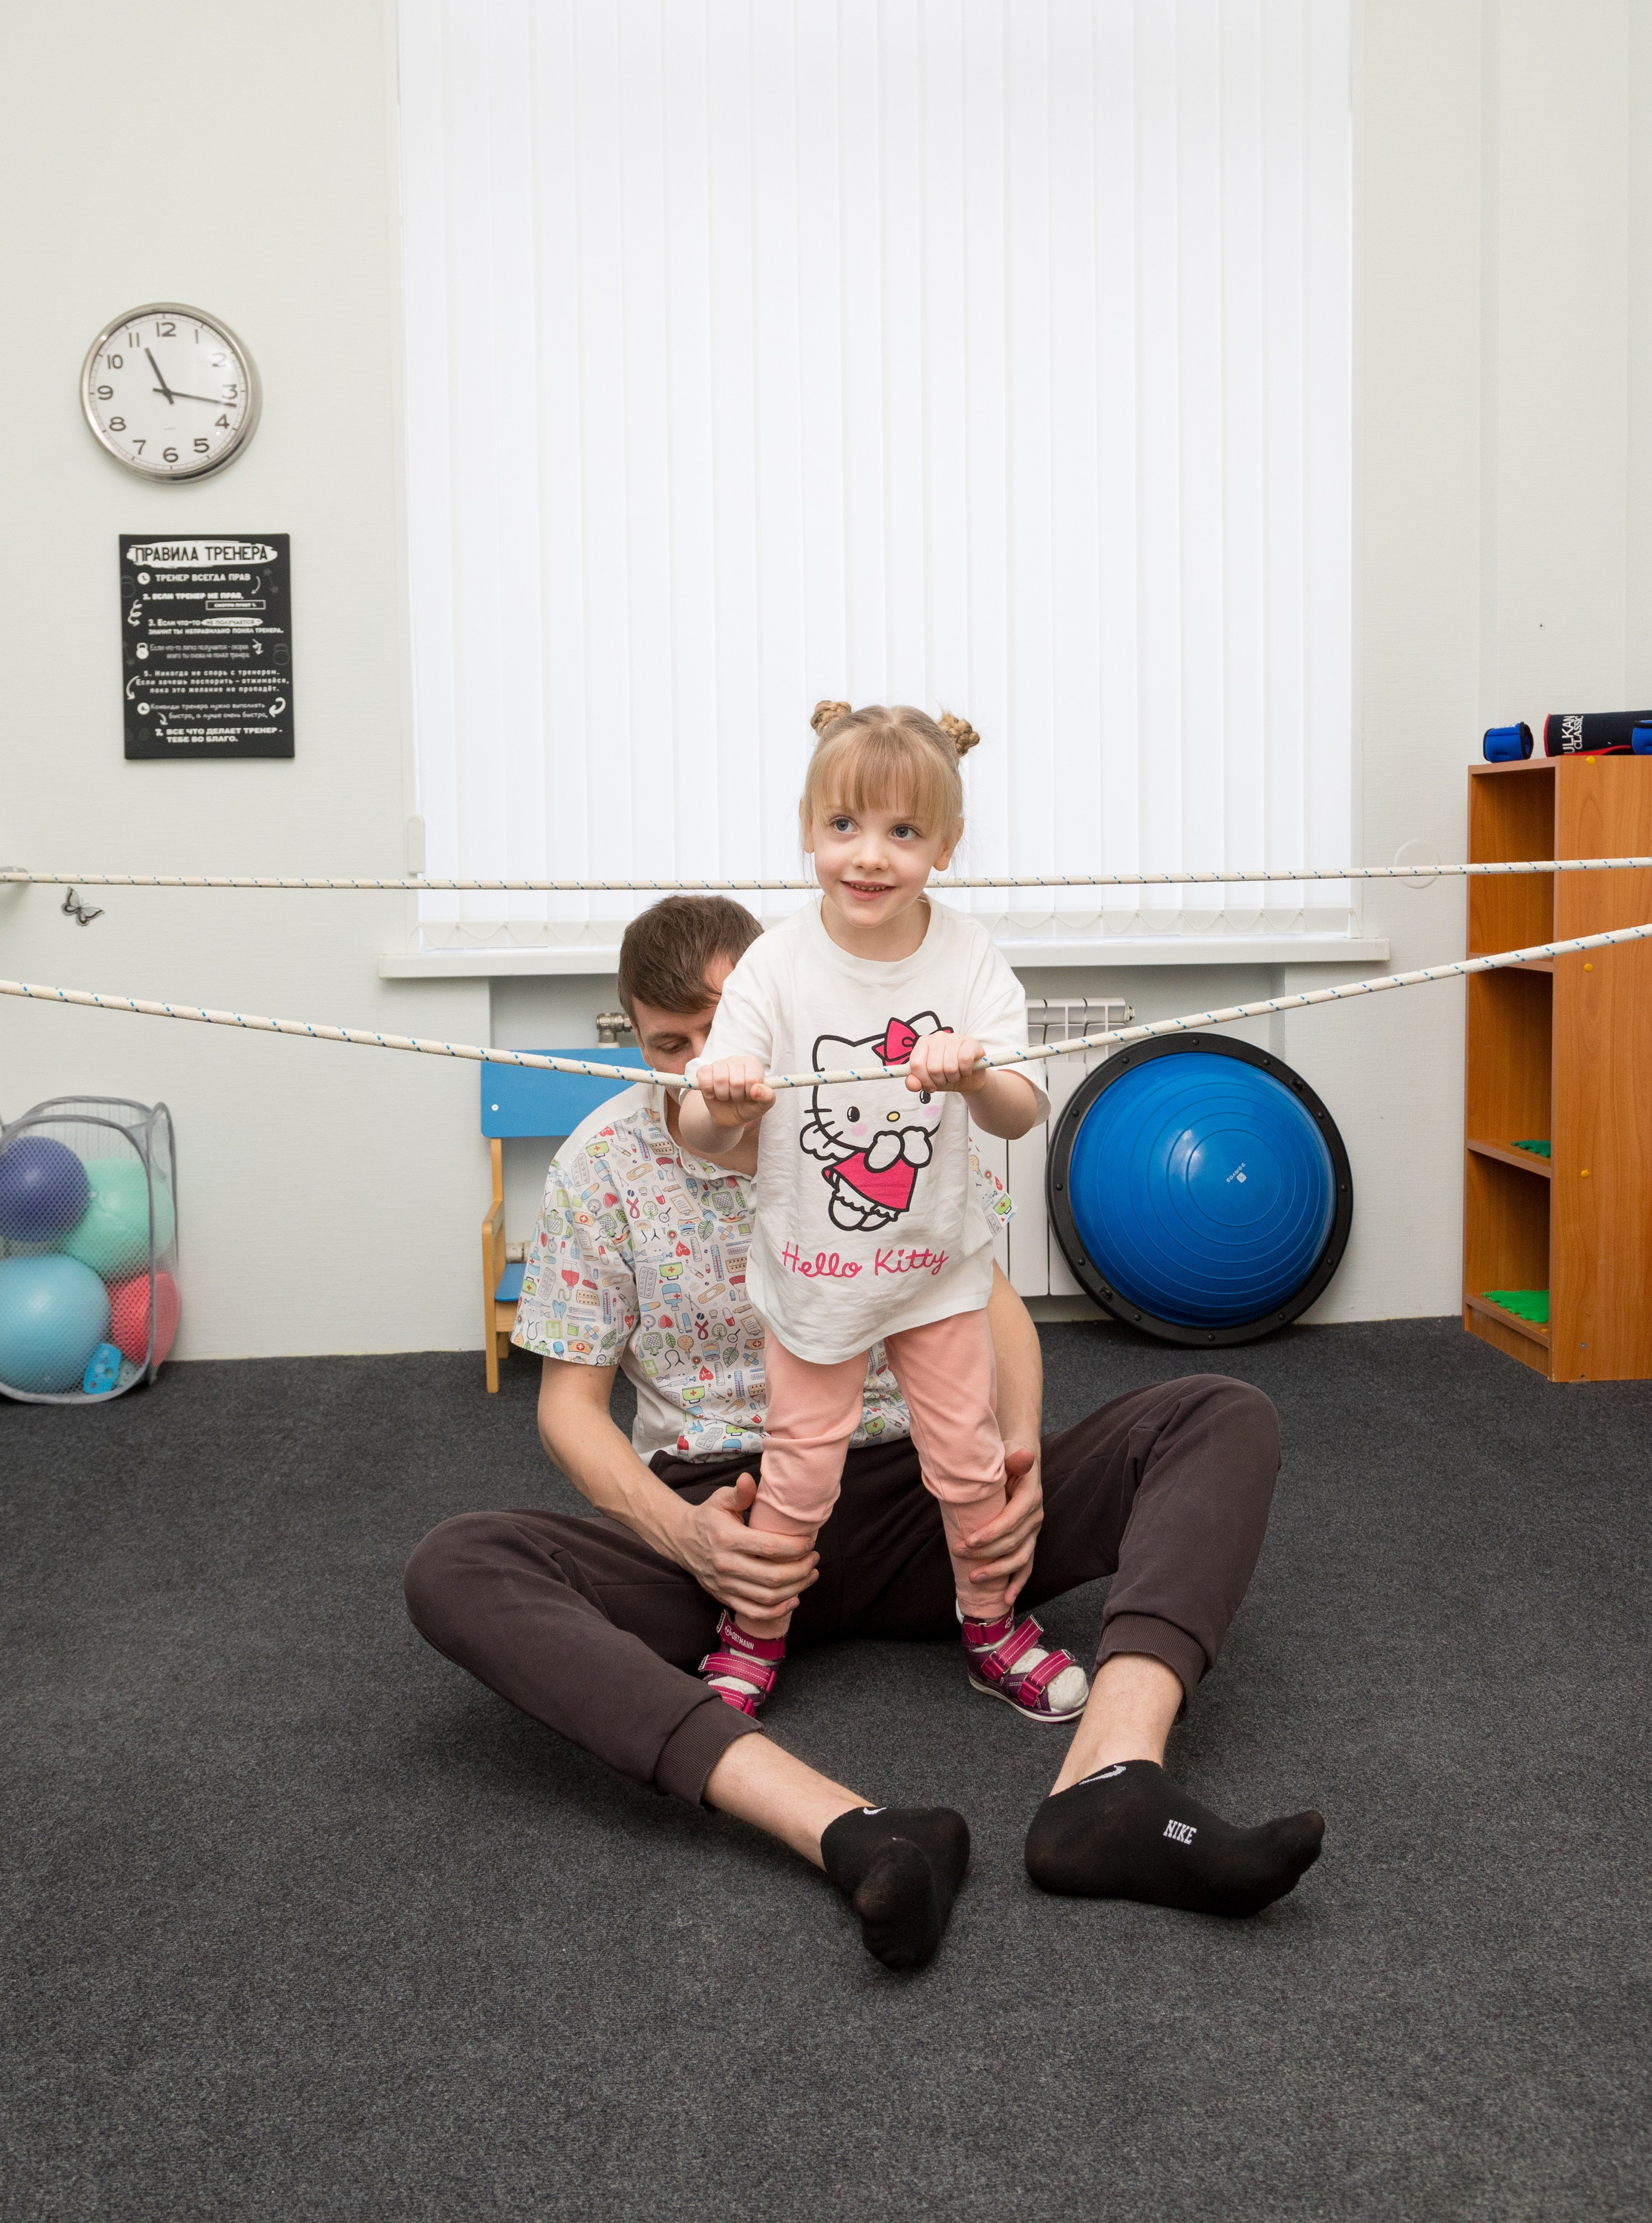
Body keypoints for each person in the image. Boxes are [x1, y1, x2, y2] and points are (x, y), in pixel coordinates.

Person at [404, 888, 1324, 1974]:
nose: (711, 1061)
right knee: (456, 1565)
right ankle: (851, 1830)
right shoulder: (602, 1164)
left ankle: (1111, 1780)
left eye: (724, 1026)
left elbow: (992, 1309)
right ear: (635, 1040)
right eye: (672, 1045)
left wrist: (1018, 1458)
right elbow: (568, 1410)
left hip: (920, 1504)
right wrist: (689, 1538)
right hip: (731, 1537)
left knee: (1218, 1415)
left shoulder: (890, 1101)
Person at [677, 701, 1083, 1735]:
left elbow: (1022, 1112)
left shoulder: (970, 957)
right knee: (799, 1469)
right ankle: (755, 1634)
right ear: (809, 830)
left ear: (944, 847)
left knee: (968, 1459)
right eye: (846, 826)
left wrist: (974, 1074)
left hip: (934, 1269)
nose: (870, 857)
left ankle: (990, 1625)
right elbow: (696, 1123)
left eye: (904, 833)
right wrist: (718, 1093)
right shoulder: (773, 963)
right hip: (815, 1276)